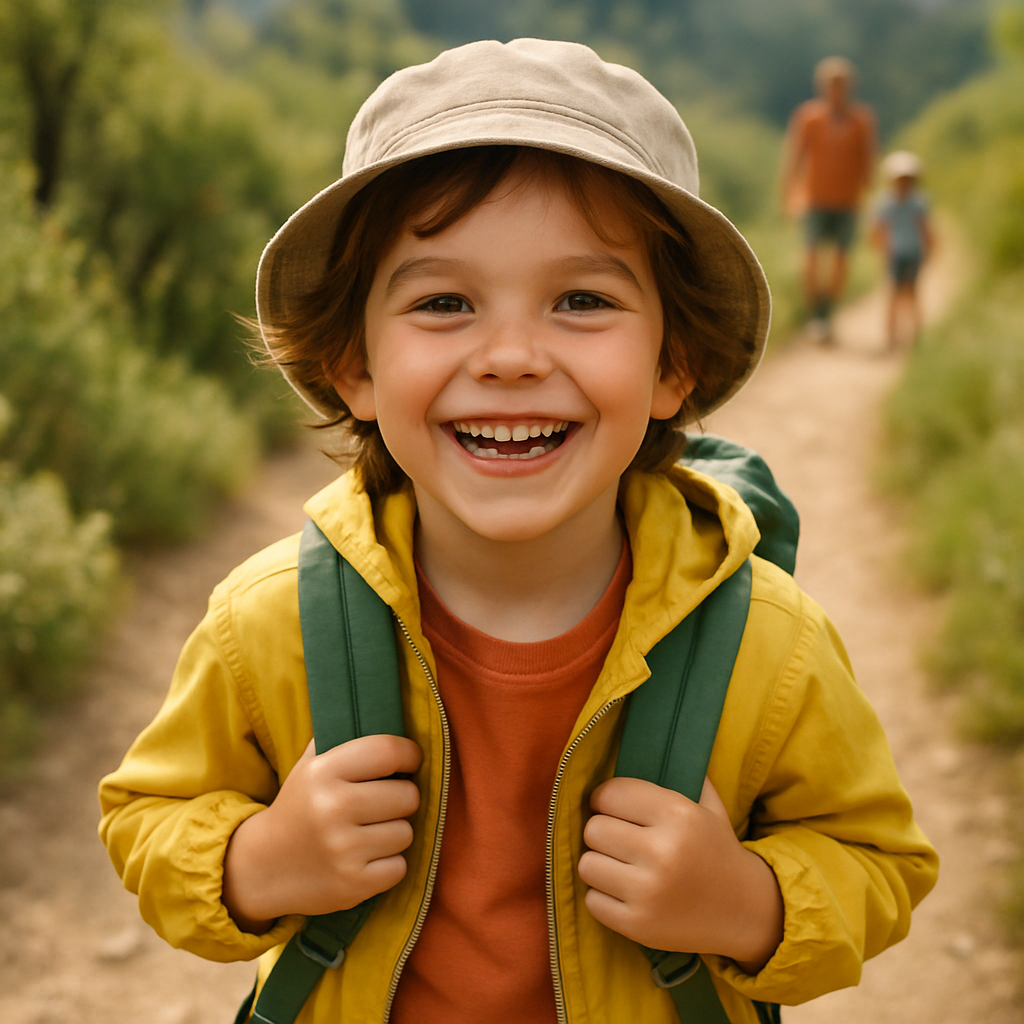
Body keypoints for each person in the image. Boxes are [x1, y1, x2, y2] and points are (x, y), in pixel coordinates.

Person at [98, 39, 937, 1024]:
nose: (508, 356)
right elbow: (149, 814)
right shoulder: (268, 622)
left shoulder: (769, 642)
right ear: (353, 365)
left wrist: (746, 901)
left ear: (675, 364)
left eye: (581, 300)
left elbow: (876, 861)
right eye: (443, 302)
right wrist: (258, 861)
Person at [781, 56, 878, 342]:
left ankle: (829, 312)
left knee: (841, 261)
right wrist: (789, 195)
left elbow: (868, 161)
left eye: (841, 84)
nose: (836, 90)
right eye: (831, 84)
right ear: (822, 86)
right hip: (814, 200)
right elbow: (795, 158)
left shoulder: (862, 120)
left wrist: (869, 200)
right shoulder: (808, 117)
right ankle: (816, 312)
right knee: (810, 257)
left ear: (849, 87)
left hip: (848, 202)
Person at [871, 151, 934, 350]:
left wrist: (929, 247)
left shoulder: (918, 202)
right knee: (893, 293)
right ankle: (891, 336)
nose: (903, 183)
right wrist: (881, 247)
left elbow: (925, 227)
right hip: (895, 253)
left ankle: (916, 336)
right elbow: (878, 230)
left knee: (912, 293)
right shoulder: (885, 203)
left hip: (913, 252)